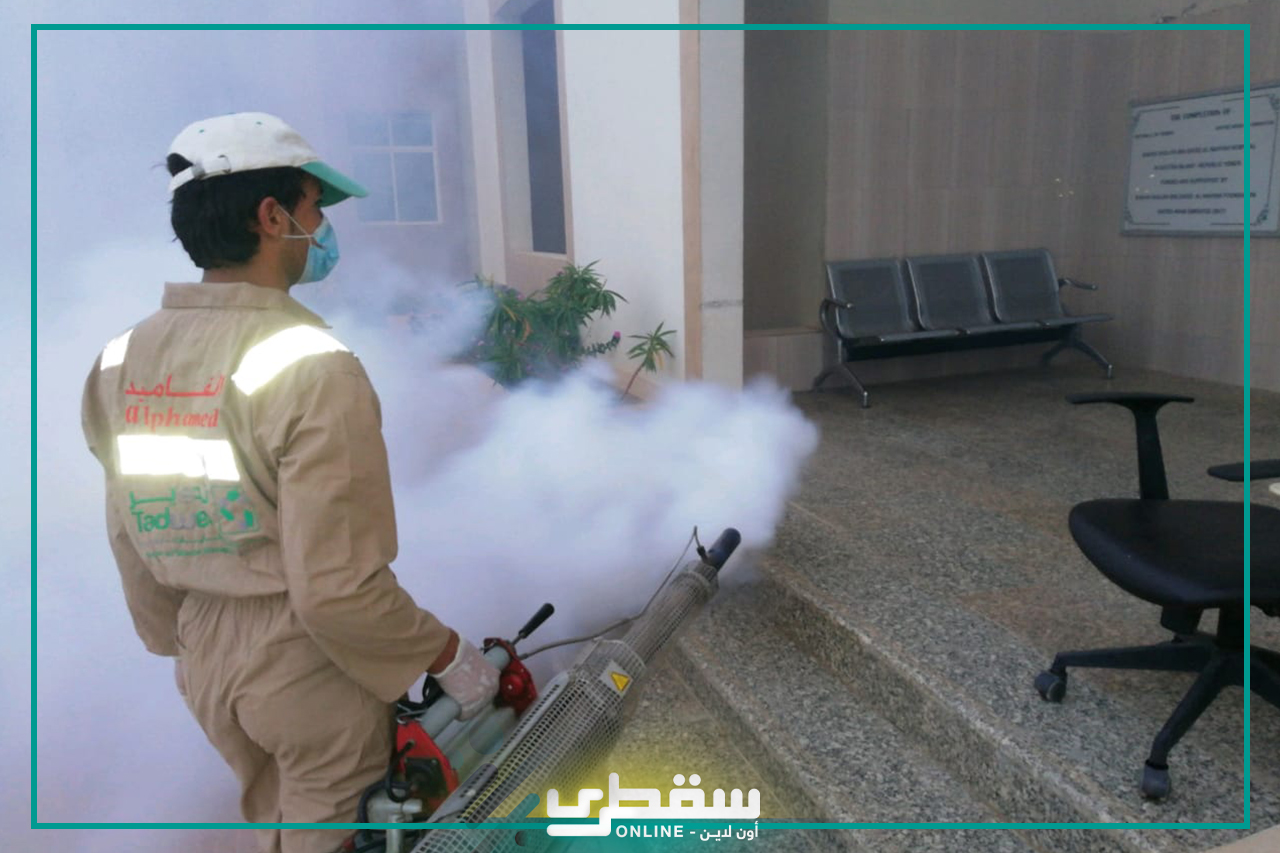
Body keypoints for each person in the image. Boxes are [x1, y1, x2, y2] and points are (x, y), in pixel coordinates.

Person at [80, 112, 500, 853]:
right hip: (302, 665)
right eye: (315, 207)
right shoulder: (311, 364)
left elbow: (125, 529)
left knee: (277, 820)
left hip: (205, 660)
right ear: (273, 217)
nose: (323, 227)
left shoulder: (121, 357)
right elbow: (336, 588)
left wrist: (180, 640)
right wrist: (447, 655)